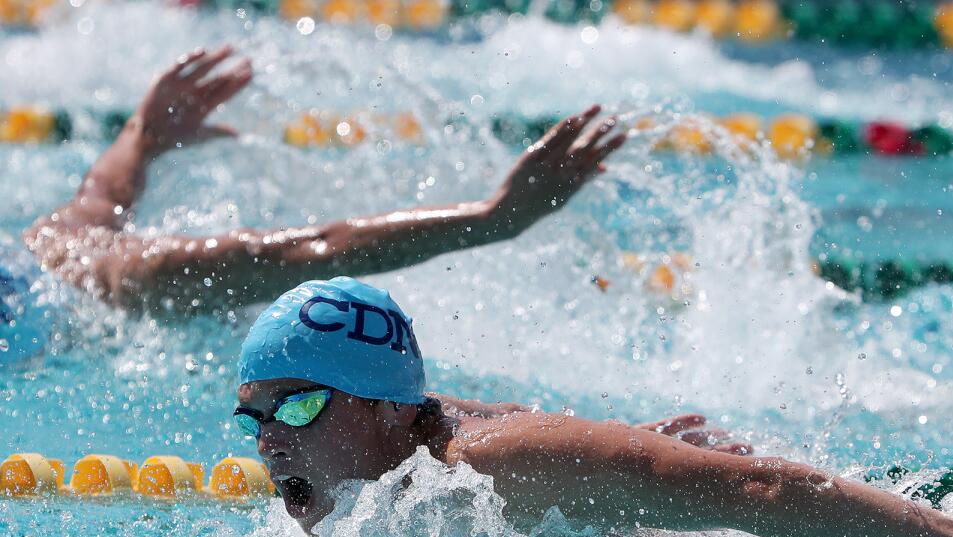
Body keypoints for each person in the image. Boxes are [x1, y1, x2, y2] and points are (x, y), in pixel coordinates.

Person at [235, 276, 953, 537]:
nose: (271, 440)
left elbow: (764, 493)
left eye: (302, 407)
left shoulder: (499, 469)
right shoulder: (401, 441)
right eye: (257, 414)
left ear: (387, 409)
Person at [23, 45, 625, 310]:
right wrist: (140, 139)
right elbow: (98, 198)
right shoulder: (51, 248)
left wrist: (491, 220)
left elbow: (304, 252)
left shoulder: (98, 275)